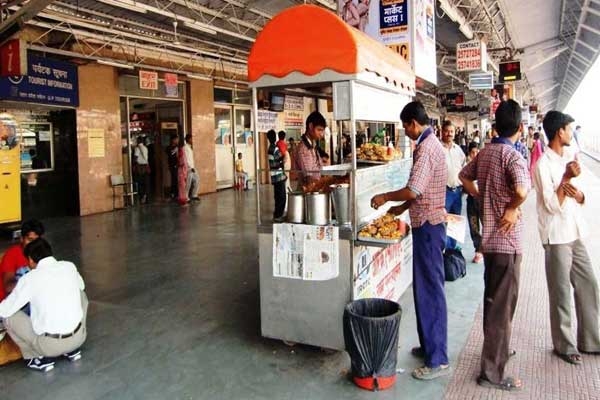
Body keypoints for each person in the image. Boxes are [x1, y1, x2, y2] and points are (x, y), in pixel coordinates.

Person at [371, 101, 450, 380]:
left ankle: (437, 359)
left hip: (429, 227)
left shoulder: (427, 149)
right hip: (426, 223)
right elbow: (420, 191)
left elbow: (414, 189)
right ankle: (430, 345)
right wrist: (400, 209)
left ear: (414, 123)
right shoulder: (430, 145)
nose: (405, 132)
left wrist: (385, 198)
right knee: (424, 289)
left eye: (405, 126)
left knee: (430, 291)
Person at [459, 100, 530, 391]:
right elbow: (523, 191)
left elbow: (464, 176)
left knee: (494, 301)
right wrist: (512, 207)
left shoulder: (486, 152)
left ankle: (498, 350)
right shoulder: (513, 157)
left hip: (489, 243)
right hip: (507, 242)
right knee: (502, 306)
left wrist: (480, 196)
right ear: (521, 128)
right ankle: (491, 373)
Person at [533, 111, 600, 365]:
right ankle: (564, 345)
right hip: (556, 235)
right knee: (560, 292)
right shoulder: (542, 166)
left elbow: (575, 196)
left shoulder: (569, 158)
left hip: (575, 232)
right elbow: (551, 205)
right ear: (559, 131)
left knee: (589, 284)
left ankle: (591, 340)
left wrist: (580, 195)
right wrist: (565, 179)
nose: (572, 133)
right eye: (570, 129)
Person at [0, 238, 87, 372]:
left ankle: (36, 358)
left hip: (49, 347)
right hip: (79, 338)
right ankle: (71, 350)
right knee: (81, 295)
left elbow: (5, 310)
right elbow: (81, 286)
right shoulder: (69, 266)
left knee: (9, 316)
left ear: (30, 259)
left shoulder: (30, 278)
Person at [1, 219, 44, 301]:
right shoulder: (12, 254)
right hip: (8, 302)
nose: (33, 245)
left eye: (36, 241)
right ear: (21, 239)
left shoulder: (42, 253)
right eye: (30, 240)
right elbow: (8, 287)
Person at [441, 120, 466, 250]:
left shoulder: (458, 150)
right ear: (442, 132)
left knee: (455, 221)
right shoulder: (438, 149)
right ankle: (444, 249)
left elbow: (464, 167)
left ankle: (452, 250)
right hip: (444, 192)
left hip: (457, 192)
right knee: (443, 220)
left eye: (451, 131)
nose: (449, 134)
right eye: (447, 131)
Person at [293, 111, 327, 188]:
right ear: (311, 126)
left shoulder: (312, 145)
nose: (321, 134)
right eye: (319, 130)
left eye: (322, 131)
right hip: (309, 192)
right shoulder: (304, 149)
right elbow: (309, 179)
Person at [465, 142, 483, 264]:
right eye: (472, 152)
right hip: (471, 201)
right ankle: (478, 250)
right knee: (473, 226)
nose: (475, 154)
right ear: (469, 154)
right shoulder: (466, 166)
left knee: (486, 225)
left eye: (477, 152)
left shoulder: (484, 166)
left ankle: (484, 249)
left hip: (482, 201)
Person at [267, 130, 287, 222]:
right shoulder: (274, 148)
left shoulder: (269, 148)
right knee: (282, 197)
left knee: (277, 196)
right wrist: (283, 160)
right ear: (274, 138)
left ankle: (276, 215)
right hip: (279, 176)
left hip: (274, 176)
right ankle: (279, 215)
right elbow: (280, 159)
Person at [133, 136, 151, 204]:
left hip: (140, 168)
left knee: (140, 183)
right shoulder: (146, 148)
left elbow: (135, 157)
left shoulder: (137, 148)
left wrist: (133, 164)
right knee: (146, 183)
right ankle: (147, 198)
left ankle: (142, 197)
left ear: (138, 141)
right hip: (146, 166)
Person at [183, 134, 200, 201]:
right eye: (191, 138)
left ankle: (194, 194)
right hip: (188, 168)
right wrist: (190, 167)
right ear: (188, 139)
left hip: (192, 167)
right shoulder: (185, 148)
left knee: (197, 179)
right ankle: (186, 197)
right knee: (188, 183)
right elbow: (186, 159)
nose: (192, 140)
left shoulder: (189, 147)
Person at [166, 134, 179, 200]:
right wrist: (175, 150)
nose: (177, 140)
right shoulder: (169, 147)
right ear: (173, 140)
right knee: (174, 179)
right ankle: (173, 193)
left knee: (177, 179)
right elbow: (170, 155)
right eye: (176, 139)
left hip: (178, 165)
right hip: (172, 165)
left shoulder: (178, 147)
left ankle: (176, 193)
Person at [177, 139, 188, 205]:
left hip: (182, 170)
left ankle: (183, 198)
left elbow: (182, 162)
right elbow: (182, 162)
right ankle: (182, 199)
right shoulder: (181, 151)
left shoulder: (181, 151)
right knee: (182, 185)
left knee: (182, 185)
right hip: (182, 170)